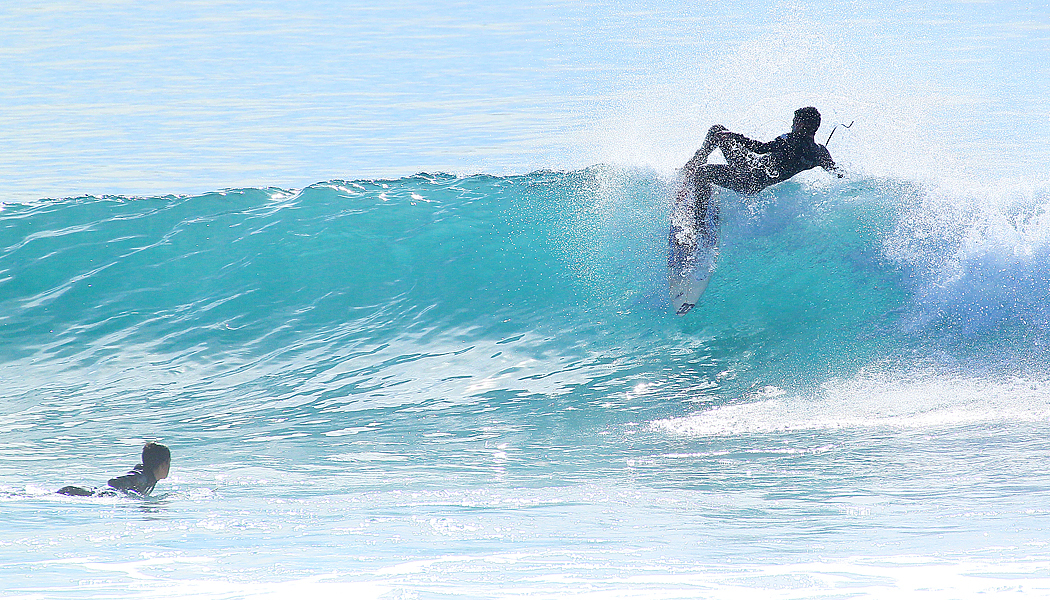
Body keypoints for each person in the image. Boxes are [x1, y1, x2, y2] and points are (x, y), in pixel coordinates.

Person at [680, 106, 843, 237]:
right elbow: (838, 174)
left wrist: (735, 136)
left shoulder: (790, 140)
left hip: (746, 179)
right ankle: (695, 166)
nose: (792, 125)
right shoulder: (820, 153)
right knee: (718, 130)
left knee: (702, 172)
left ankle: (697, 225)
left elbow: (760, 148)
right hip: (753, 175)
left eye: (794, 121)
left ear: (801, 124)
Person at [57, 442, 171, 497]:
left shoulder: (148, 476)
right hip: (85, 493)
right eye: (169, 462)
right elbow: (114, 482)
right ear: (163, 464)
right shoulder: (143, 477)